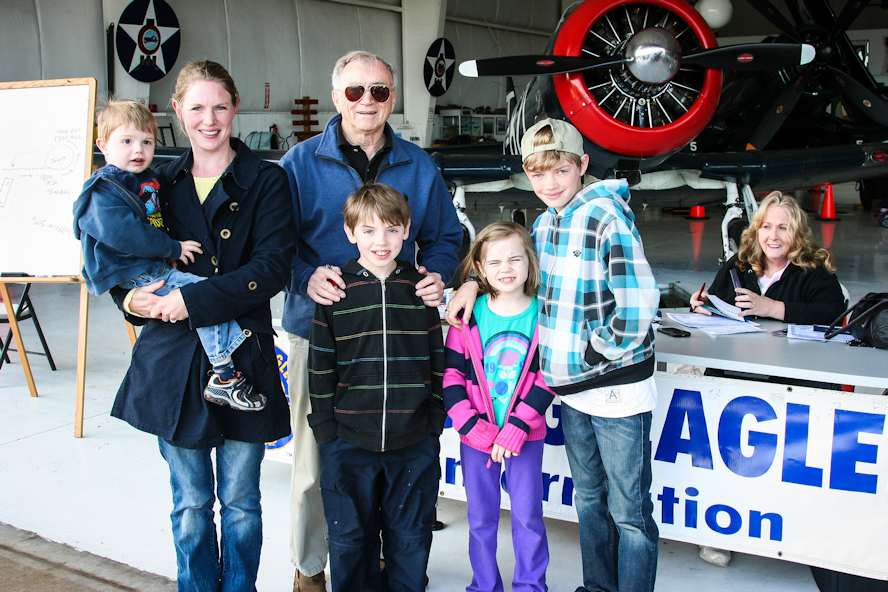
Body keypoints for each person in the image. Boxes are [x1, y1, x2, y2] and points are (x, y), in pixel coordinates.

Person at [446, 118, 661, 592]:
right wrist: (469, 283)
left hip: (614, 388)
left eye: (560, 170)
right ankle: (599, 586)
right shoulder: (544, 225)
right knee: (589, 499)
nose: (549, 183)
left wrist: (588, 353)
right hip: (571, 390)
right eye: (538, 174)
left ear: (582, 165)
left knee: (628, 511)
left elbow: (640, 302)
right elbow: (511, 271)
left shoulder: (607, 216)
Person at [278, 50, 462, 592]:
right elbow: (272, 243)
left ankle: (383, 563)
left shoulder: (417, 164)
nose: (367, 101)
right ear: (336, 97)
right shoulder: (300, 163)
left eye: (379, 91)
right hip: (324, 330)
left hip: (402, 333)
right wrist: (303, 275)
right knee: (318, 461)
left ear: (392, 98)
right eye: (355, 91)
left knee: (391, 463)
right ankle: (311, 568)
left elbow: (446, 236)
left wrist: (438, 275)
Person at [108, 61, 295, 592]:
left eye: (219, 106)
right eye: (196, 108)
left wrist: (194, 303)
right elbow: (120, 254)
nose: (209, 120)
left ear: (236, 108)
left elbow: (272, 267)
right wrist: (132, 301)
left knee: (241, 503)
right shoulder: (154, 183)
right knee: (190, 503)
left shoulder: (267, 181)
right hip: (173, 358)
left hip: (242, 358)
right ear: (176, 111)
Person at [73, 98, 265, 412]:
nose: (138, 150)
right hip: (138, 271)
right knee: (203, 296)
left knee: (204, 297)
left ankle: (224, 370)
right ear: (102, 145)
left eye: (146, 141)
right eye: (126, 141)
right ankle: (226, 375)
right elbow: (126, 235)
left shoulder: (149, 179)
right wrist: (172, 249)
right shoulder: (105, 189)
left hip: (152, 265)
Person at [307, 183, 445, 592]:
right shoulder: (336, 290)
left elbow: (437, 357)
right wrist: (327, 429)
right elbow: (320, 364)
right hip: (347, 439)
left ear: (406, 230)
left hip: (413, 438)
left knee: (411, 534)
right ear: (350, 233)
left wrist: (434, 416)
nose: (380, 241)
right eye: (367, 231)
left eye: (390, 230)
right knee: (349, 537)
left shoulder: (419, 289)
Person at [443, 222, 555, 592]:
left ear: (530, 262)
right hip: (478, 435)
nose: (505, 269)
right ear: (479, 267)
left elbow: (547, 377)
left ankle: (530, 585)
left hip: (523, 434)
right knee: (480, 518)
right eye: (494, 262)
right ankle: (484, 585)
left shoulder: (544, 316)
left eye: (514, 259)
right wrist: (471, 427)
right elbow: (452, 377)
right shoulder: (468, 315)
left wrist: (519, 426)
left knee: (527, 516)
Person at [690, 191, 845, 325]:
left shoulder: (813, 269)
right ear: (757, 231)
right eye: (767, 227)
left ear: (797, 233)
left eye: (783, 228)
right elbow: (715, 302)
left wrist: (774, 308)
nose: (773, 236)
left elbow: (833, 312)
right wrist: (703, 304)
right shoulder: (739, 264)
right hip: (739, 355)